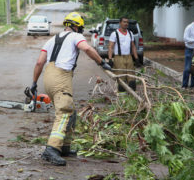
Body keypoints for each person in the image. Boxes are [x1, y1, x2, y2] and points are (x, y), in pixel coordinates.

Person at [30, 12, 111, 166]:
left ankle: (64, 147)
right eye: (80, 29)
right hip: (61, 77)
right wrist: (102, 62)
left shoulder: (51, 39)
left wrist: (34, 83)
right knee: (64, 112)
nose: (80, 32)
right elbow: (87, 49)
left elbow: (39, 63)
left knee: (71, 112)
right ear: (75, 27)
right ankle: (52, 148)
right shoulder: (75, 37)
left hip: (48, 77)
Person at [108, 16, 141, 91]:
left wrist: (136, 58)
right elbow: (110, 47)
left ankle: (132, 94)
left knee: (131, 76)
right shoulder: (114, 33)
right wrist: (110, 59)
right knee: (121, 77)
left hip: (129, 57)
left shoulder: (130, 33)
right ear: (120, 23)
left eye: (127, 22)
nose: (126, 23)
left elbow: (133, 46)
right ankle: (122, 96)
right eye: (124, 22)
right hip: (118, 57)